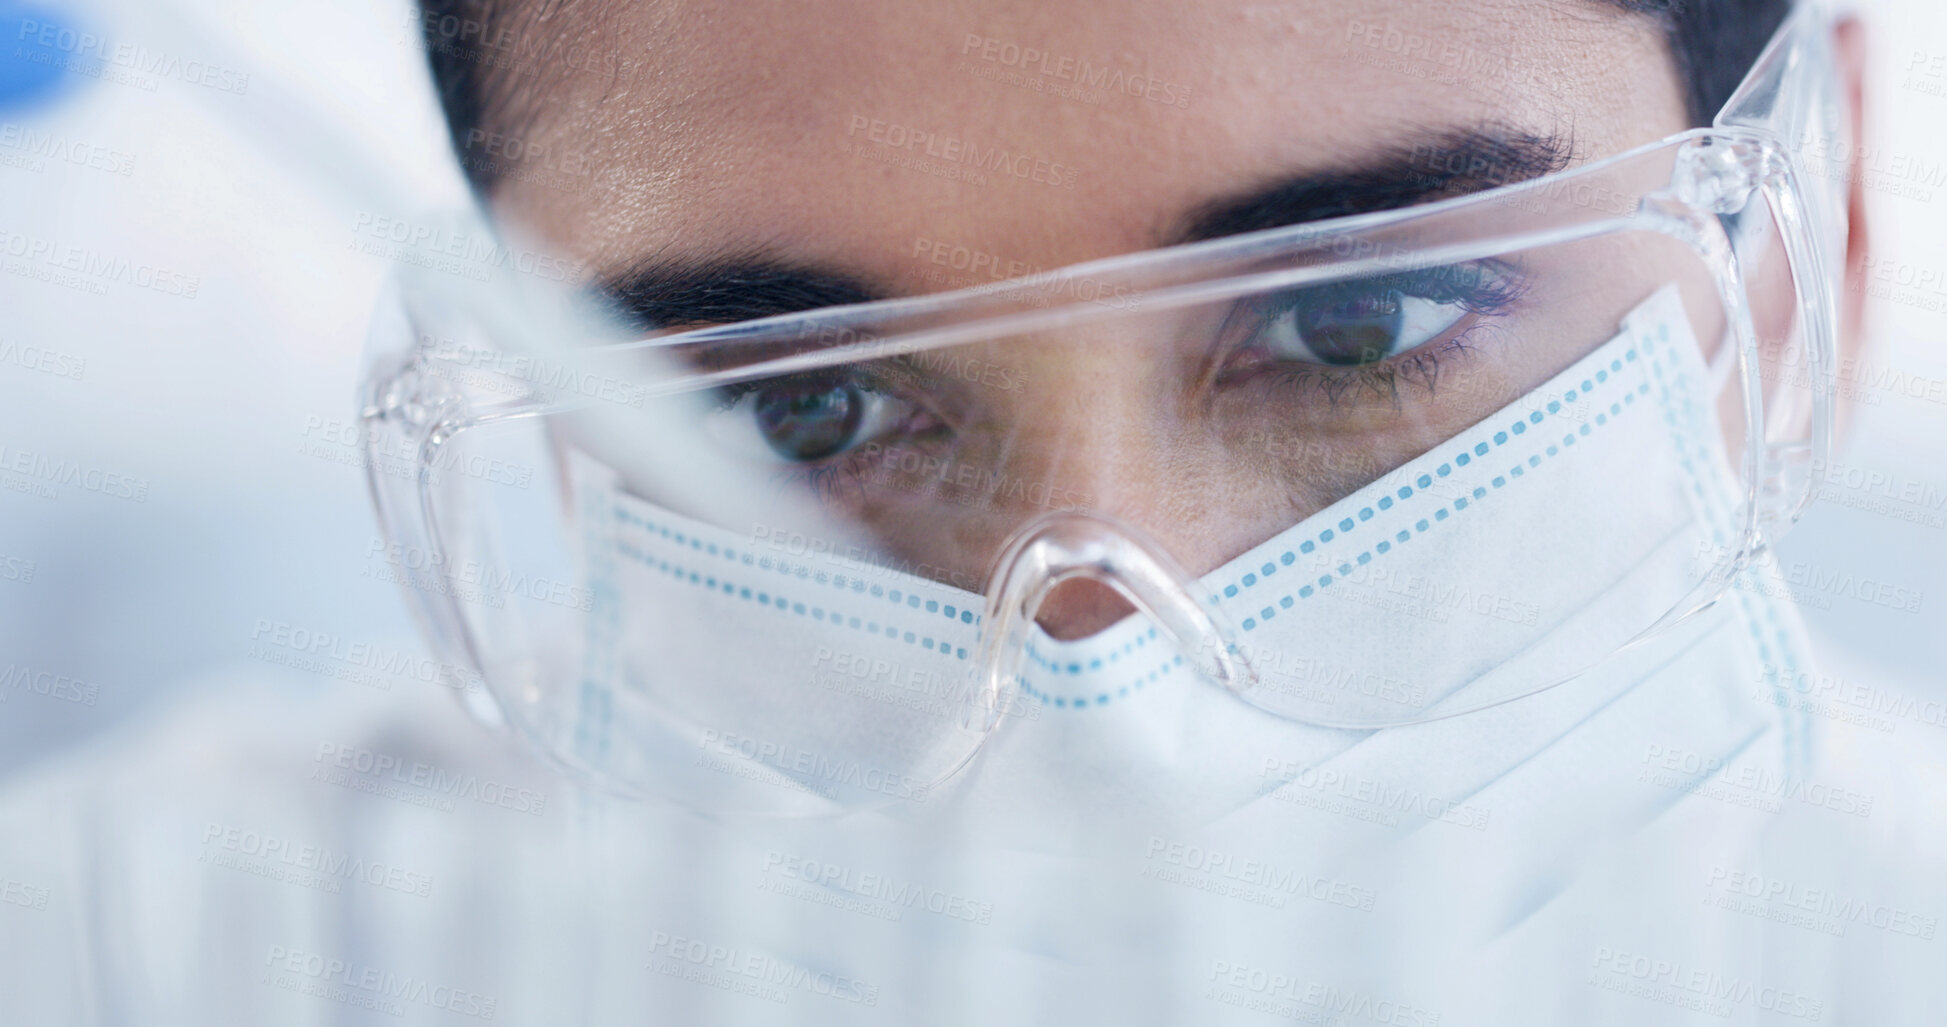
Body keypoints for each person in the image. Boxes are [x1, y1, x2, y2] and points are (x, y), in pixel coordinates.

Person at [8, 1, 1944, 1023]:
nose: (1107, 686)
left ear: (1817, 233)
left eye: (1355, 330)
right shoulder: (151, 957)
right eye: (810, 408)